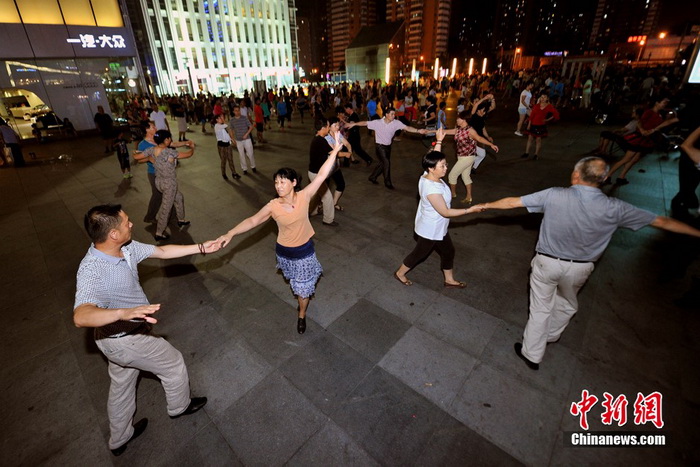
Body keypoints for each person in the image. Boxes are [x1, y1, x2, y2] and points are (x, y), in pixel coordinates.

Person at [472, 156, 700, 370]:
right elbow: (661, 221)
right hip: (580, 268)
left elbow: (513, 203)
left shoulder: (555, 195)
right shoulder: (616, 208)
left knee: (541, 307)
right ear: (603, 180)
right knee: (567, 304)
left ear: (575, 175)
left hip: (547, 263)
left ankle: (532, 354)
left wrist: (486, 205)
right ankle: (550, 335)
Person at [74, 204, 219, 456]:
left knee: (122, 385)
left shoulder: (125, 248)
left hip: (114, 342)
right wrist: (122, 313)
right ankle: (179, 406)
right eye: (126, 222)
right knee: (173, 363)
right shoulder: (92, 270)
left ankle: (119, 438)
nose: (131, 224)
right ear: (113, 235)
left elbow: (162, 251)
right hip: (125, 340)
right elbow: (80, 315)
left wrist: (202, 247)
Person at [217, 138, 344, 334]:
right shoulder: (273, 206)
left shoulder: (304, 196)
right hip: (284, 253)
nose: (278, 185)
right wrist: (230, 233)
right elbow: (252, 221)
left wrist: (335, 150)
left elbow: (321, 176)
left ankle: (301, 314)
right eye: (276, 182)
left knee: (303, 290)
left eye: (282, 181)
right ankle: (301, 302)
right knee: (294, 282)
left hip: (304, 253)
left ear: (293, 183)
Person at [394, 133, 483, 287]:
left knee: (448, 251)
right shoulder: (431, 188)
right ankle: (399, 273)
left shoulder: (427, 174)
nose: (446, 168)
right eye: (442, 166)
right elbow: (446, 212)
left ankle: (449, 280)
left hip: (438, 226)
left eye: (445, 164)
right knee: (419, 254)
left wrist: (439, 141)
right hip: (431, 228)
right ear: (431, 168)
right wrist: (470, 210)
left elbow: (432, 156)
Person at [346, 108, 428, 189]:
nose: (393, 116)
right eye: (392, 114)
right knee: (387, 163)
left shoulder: (396, 123)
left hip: (388, 146)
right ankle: (387, 182)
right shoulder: (377, 123)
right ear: (386, 115)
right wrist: (353, 124)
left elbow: (407, 128)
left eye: (394, 114)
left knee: (383, 163)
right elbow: (365, 123)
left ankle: (373, 177)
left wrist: (418, 130)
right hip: (380, 146)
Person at [603, 97, 679, 185]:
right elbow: (639, 122)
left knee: (634, 160)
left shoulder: (659, 115)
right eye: (664, 102)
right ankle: (608, 176)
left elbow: (661, 125)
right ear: (657, 103)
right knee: (627, 159)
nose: (665, 105)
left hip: (646, 140)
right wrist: (643, 130)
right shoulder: (649, 112)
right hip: (639, 138)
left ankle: (621, 177)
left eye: (666, 103)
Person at [137, 130, 195, 241]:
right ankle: (159, 232)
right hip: (169, 184)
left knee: (179, 197)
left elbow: (137, 157)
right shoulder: (169, 152)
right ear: (166, 140)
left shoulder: (151, 150)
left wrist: (149, 158)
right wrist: (192, 148)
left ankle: (181, 219)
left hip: (158, 182)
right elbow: (188, 155)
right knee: (166, 208)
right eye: (169, 138)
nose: (170, 140)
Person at [441, 110, 499, 204]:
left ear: (464, 119)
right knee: (465, 176)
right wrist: (430, 131)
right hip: (462, 157)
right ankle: (469, 197)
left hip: (467, 157)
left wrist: (490, 144)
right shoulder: (459, 129)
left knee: (452, 175)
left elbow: (479, 138)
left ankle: (452, 194)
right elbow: (445, 131)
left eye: (458, 118)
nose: (457, 119)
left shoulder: (470, 130)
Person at [520, 94, 560, 160]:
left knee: (538, 140)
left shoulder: (549, 106)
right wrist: (529, 124)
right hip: (533, 124)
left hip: (541, 125)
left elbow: (556, 114)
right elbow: (532, 115)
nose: (543, 98)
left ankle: (536, 155)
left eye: (544, 97)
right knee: (530, 139)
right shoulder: (537, 106)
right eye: (541, 97)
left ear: (547, 99)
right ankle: (526, 153)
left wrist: (547, 119)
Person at [470, 94, 496, 171]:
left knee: (482, 154)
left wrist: (492, 99)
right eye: (482, 110)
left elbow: (493, 107)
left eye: (484, 111)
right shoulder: (473, 113)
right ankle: (468, 164)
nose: (483, 112)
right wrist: (484, 98)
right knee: (469, 155)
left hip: (479, 138)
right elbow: (476, 105)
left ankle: (473, 167)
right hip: (471, 138)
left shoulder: (483, 113)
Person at [229, 106, 256, 175]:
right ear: (233, 111)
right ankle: (244, 168)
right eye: (236, 110)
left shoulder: (244, 118)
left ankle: (253, 166)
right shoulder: (232, 120)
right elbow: (231, 130)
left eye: (238, 110)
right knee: (241, 155)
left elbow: (251, 126)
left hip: (247, 139)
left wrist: (246, 134)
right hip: (238, 140)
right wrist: (232, 139)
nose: (237, 112)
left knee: (250, 153)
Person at [214, 113, 241, 180]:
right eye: (220, 118)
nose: (222, 119)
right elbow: (227, 126)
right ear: (216, 120)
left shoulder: (223, 126)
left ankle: (234, 173)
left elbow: (228, 134)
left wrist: (232, 140)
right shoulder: (217, 126)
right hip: (221, 146)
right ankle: (223, 174)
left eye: (223, 117)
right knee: (223, 161)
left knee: (230, 159)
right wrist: (224, 121)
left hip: (228, 145)